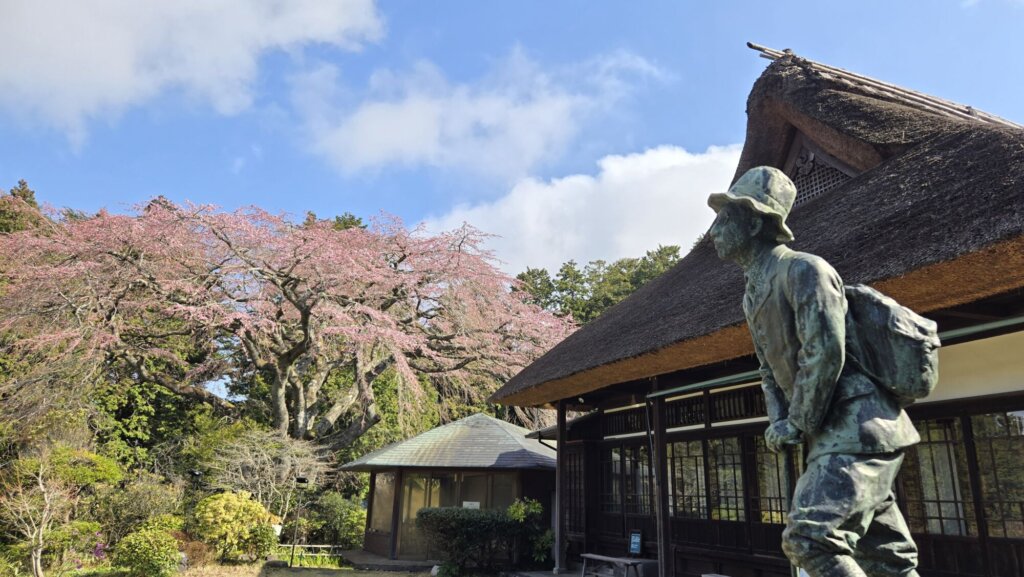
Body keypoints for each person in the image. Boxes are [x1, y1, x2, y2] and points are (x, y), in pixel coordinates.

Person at [707, 166, 922, 577]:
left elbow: (824, 351)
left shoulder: (805, 270)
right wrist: (779, 421)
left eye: (725, 218)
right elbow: (768, 368)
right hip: (832, 435)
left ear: (754, 223)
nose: (714, 231)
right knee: (886, 559)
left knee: (809, 538)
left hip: (858, 427)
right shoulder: (752, 294)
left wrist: (798, 421)